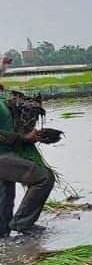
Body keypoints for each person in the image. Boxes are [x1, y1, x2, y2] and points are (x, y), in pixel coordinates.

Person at [0, 92, 55, 236]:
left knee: (5, 196)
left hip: (9, 151)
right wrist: (23, 138)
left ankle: (4, 237)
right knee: (44, 177)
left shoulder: (2, 97)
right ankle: (22, 223)